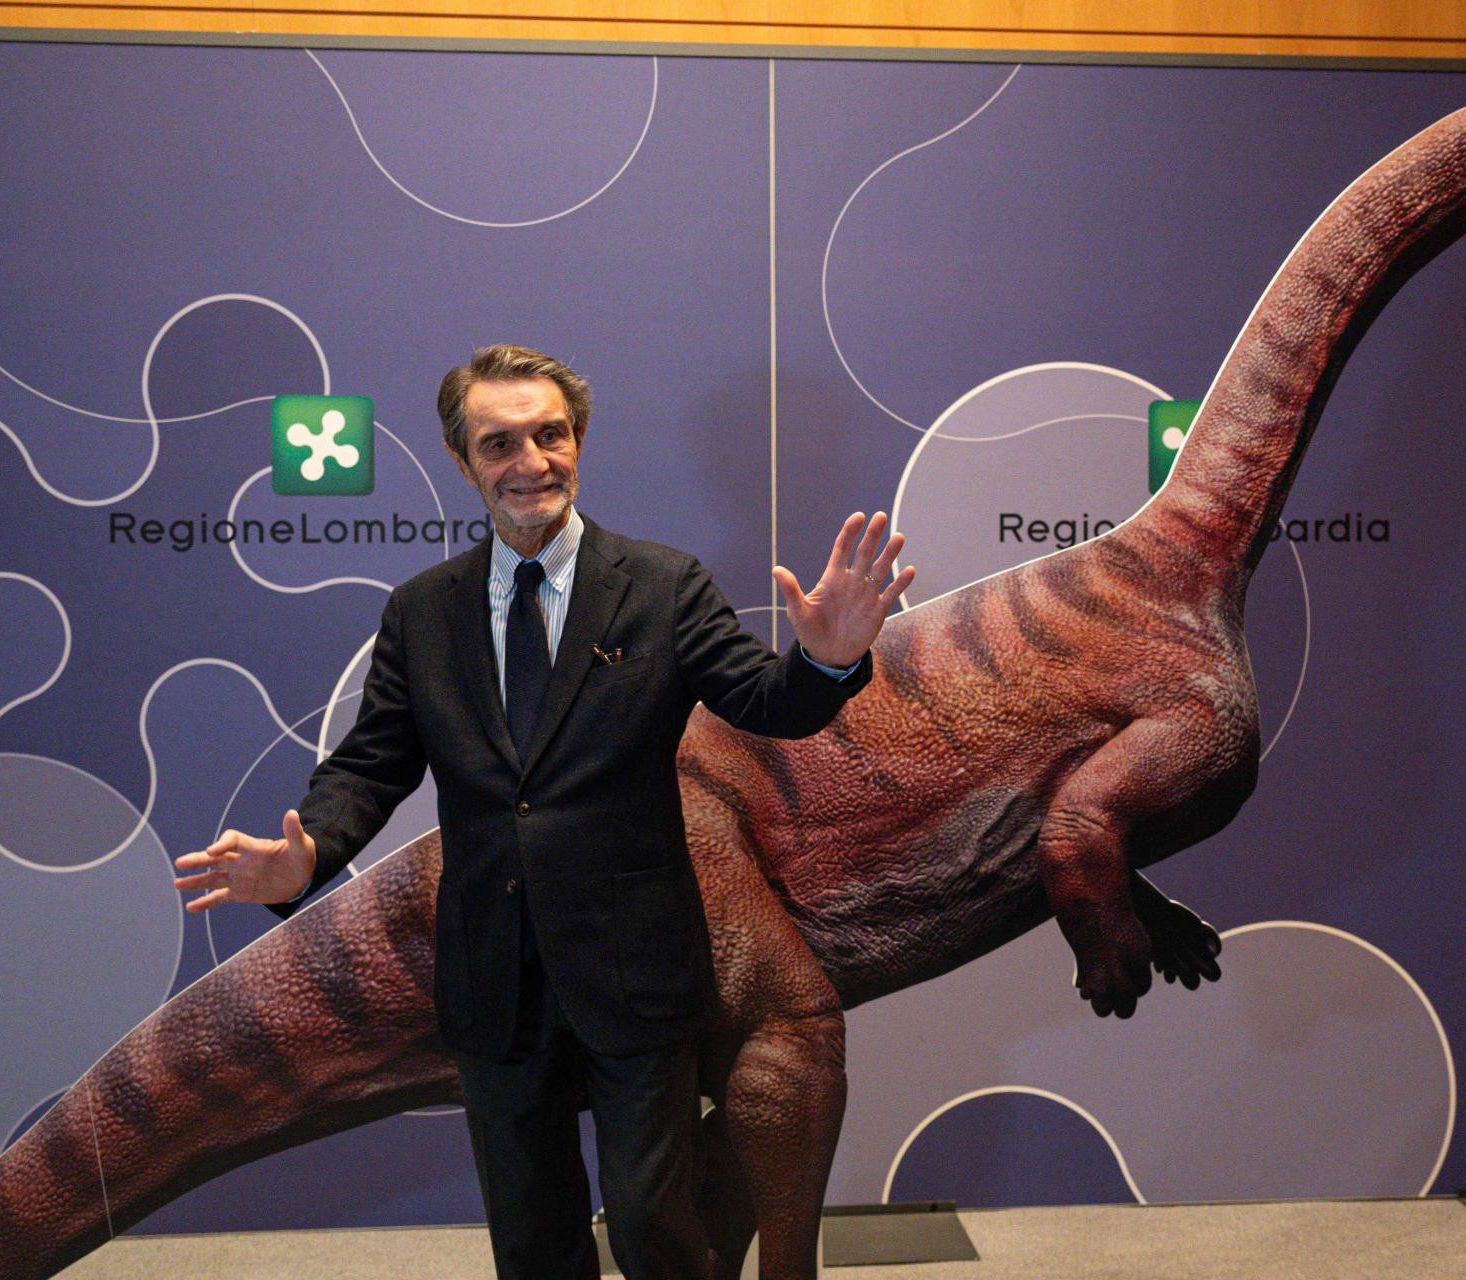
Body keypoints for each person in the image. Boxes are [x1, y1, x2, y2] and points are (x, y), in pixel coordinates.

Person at [171, 343, 912, 1280]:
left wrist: (828, 662)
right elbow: (370, 764)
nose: (531, 461)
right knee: (532, 1243)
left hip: (636, 967)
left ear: (579, 440)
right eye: (499, 443)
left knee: (652, 1226)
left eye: (550, 435)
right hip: (494, 977)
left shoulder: (662, 584)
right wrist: (309, 851)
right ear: (462, 462)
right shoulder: (422, 612)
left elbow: (768, 703)